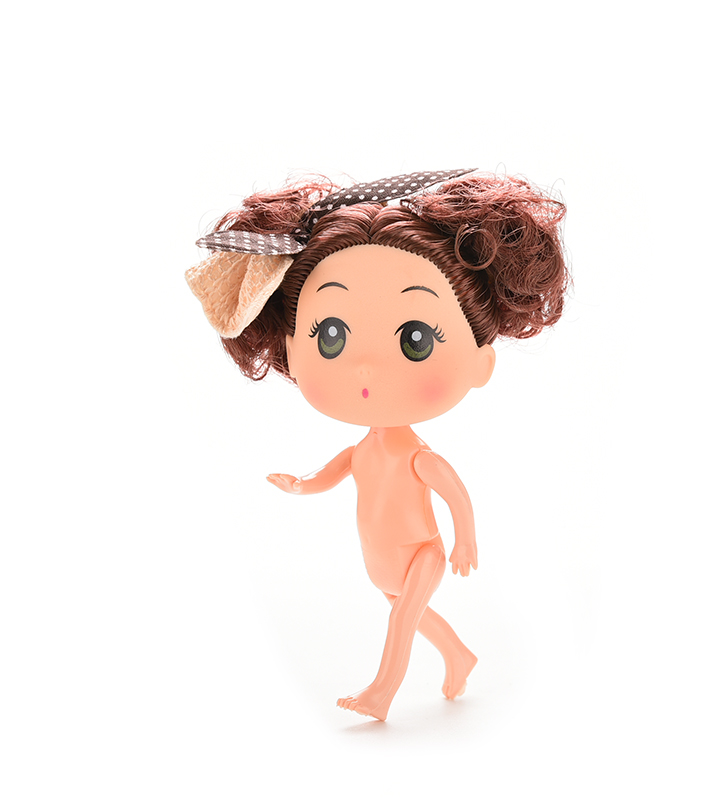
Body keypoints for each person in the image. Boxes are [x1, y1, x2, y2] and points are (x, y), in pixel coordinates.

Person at [186, 169, 568, 720]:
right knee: (413, 615)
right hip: (382, 564)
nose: (365, 366)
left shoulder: (419, 458)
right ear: (292, 351)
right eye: (331, 335)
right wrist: (299, 485)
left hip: (422, 556)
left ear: (480, 361)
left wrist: (464, 541)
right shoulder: (362, 454)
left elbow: (455, 495)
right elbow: (328, 476)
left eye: (416, 339)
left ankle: (381, 691)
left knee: (402, 620)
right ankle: (460, 657)